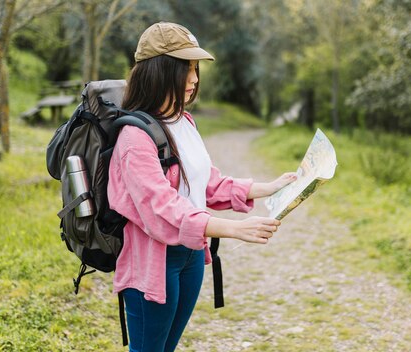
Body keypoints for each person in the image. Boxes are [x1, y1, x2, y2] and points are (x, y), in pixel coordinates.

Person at [107, 22, 297, 352]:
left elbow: (206, 182)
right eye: (186, 69)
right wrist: (233, 229)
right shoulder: (134, 138)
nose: (194, 79)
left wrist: (269, 187)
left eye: (196, 69)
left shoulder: (183, 121)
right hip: (154, 264)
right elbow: (160, 207)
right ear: (159, 71)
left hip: (191, 256)